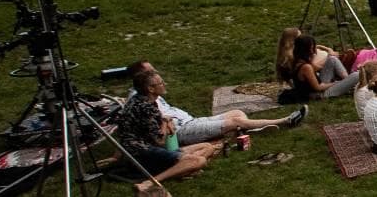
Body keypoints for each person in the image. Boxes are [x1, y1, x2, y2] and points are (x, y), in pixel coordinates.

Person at [129, 60, 303, 143]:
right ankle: (285, 121)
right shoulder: (141, 101)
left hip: (191, 121)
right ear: (147, 83)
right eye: (152, 73)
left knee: (237, 113)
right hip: (182, 131)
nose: (158, 76)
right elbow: (157, 128)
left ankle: (247, 132)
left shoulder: (148, 93)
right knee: (236, 121)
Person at [117, 69, 224, 182]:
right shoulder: (145, 108)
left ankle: (184, 168)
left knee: (207, 147)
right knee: (199, 161)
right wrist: (165, 123)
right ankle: (153, 180)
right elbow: (160, 141)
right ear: (151, 89)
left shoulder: (139, 100)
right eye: (161, 83)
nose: (164, 84)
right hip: (141, 153)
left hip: (140, 148)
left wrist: (165, 121)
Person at [276, 30, 359, 103]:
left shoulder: (298, 61)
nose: (314, 51)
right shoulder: (306, 67)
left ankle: (348, 84)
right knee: (357, 75)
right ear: (305, 50)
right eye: (312, 48)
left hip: (319, 87)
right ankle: (349, 84)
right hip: (320, 94)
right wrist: (336, 83)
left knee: (332, 59)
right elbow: (318, 88)